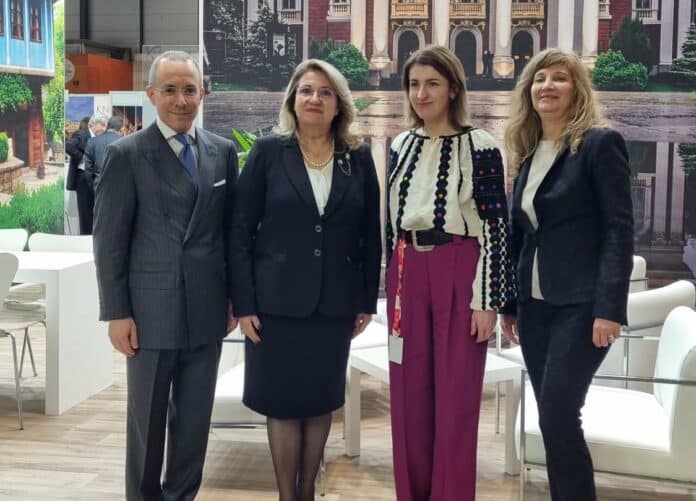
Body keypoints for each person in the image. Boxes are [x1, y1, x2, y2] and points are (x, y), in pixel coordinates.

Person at [231, 58, 381, 501]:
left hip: (333, 305)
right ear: (292, 101)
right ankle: (287, 496)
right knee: (280, 403)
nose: (315, 99)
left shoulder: (357, 157)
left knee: (320, 401)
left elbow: (370, 233)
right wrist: (244, 304)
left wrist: (366, 300)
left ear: (339, 105)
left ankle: (308, 492)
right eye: (307, 91)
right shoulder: (267, 152)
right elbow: (239, 232)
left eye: (326, 92)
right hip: (274, 305)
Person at [93, 50, 238, 501]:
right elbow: (109, 241)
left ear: (202, 94)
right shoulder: (126, 154)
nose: (181, 99)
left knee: (194, 426)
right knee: (147, 426)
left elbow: (229, 234)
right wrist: (116, 312)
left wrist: (234, 299)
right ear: (151, 94)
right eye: (170, 90)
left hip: (207, 312)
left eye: (189, 89)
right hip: (150, 314)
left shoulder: (222, 151)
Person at [501, 48, 634, 501]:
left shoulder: (599, 144)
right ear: (528, 90)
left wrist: (609, 308)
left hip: (581, 305)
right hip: (535, 307)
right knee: (551, 419)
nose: (547, 86)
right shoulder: (528, 150)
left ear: (577, 88)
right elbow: (520, 235)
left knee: (559, 414)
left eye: (559, 77)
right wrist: (510, 304)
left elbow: (619, 230)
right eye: (539, 78)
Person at [385, 46, 516, 501]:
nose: (421, 93)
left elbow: (496, 228)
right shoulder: (400, 145)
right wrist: (391, 285)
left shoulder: (482, 146)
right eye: (414, 84)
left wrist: (488, 301)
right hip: (407, 268)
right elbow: (391, 220)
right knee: (408, 394)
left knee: (456, 398)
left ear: (453, 89)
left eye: (432, 84)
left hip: (460, 269)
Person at [65, 114, 107, 234]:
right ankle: (85, 238)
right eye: (102, 125)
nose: (104, 129)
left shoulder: (98, 138)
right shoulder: (82, 134)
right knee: (85, 213)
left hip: (93, 178)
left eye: (105, 126)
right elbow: (68, 145)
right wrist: (82, 157)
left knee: (93, 213)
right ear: (93, 124)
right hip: (82, 178)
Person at [84, 115, 124, 192]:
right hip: (120, 187)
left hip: (98, 186)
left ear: (107, 125)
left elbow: (88, 170)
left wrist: (93, 187)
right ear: (121, 128)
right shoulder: (125, 142)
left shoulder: (92, 142)